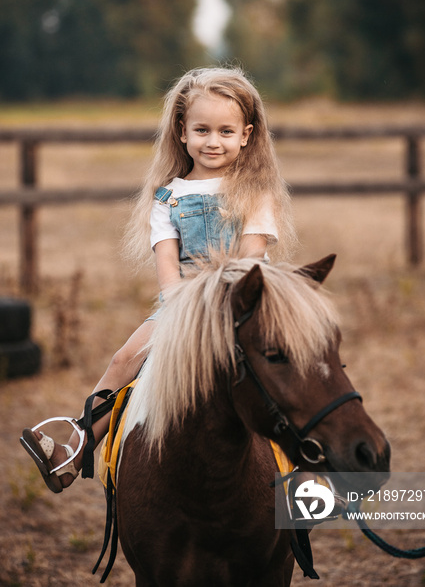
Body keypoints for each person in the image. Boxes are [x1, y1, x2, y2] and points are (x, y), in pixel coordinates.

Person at [20, 66, 296, 493]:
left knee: (293, 369)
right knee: (122, 361)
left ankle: (313, 469)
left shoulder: (254, 193)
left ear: (246, 135)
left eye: (226, 131)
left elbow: (251, 259)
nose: (213, 141)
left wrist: (224, 311)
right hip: (182, 308)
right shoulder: (167, 198)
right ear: (182, 132)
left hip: (246, 305)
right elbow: (167, 268)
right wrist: (183, 313)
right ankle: (74, 451)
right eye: (202, 129)